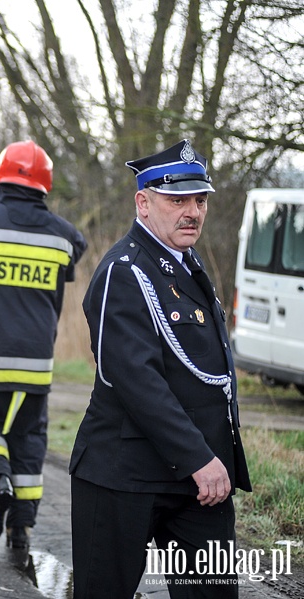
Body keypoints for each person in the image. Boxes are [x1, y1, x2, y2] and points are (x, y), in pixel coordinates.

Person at [69, 139, 251, 598]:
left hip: (197, 484)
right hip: (124, 475)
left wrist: (213, 459)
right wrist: (198, 458)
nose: (192, 211)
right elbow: (134, 379)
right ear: (143, 203)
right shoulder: (123, 270)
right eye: (177, 200)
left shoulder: (188, 268)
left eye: (200, 199)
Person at [0, 140, 87, 565]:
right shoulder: (65, 237)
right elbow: (74, 256)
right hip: (37, 365)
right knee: (29, 439)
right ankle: (21, 528)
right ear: (44, 185)